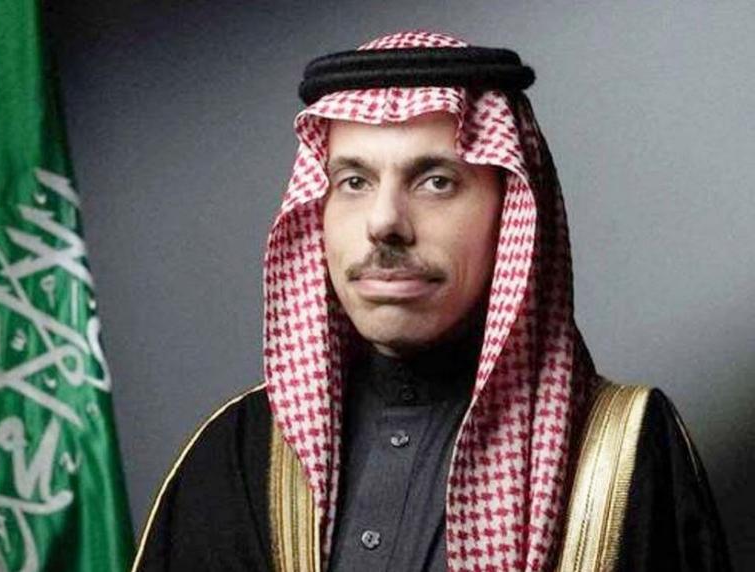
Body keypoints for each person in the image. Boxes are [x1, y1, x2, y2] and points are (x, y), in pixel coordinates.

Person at [131, 30, 731, 571]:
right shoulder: (236, 455)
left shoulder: (624, 451)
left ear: (512, 213)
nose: (385, 222)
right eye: (354, 182)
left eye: (436, 182)